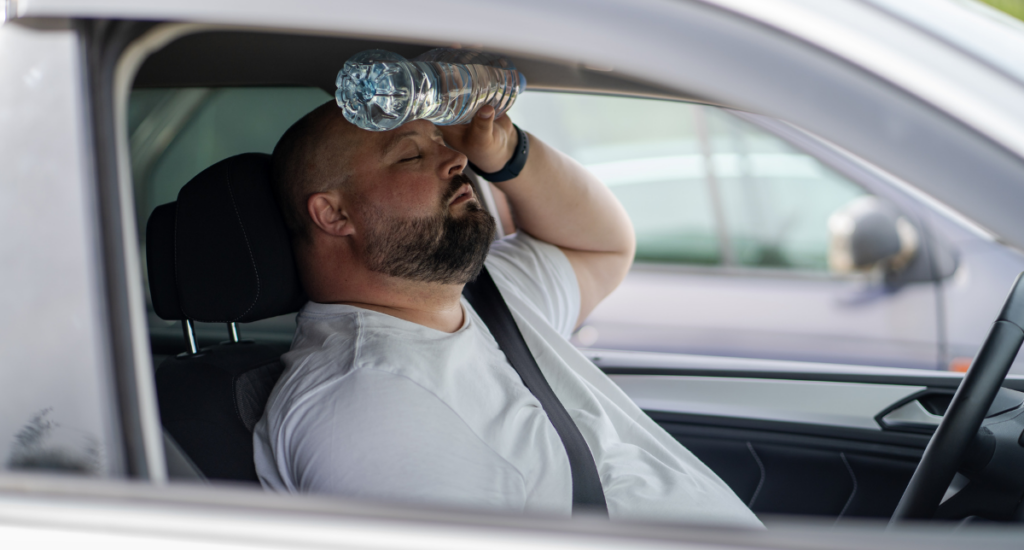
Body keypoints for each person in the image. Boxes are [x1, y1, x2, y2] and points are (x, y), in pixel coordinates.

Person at [253, 100, 762, 527]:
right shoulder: (365, 403)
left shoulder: (485, 294)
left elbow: (603, 246)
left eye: (441, 142)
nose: (455, 160)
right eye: (410, 156)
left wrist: (507, 152)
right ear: (334, 214)